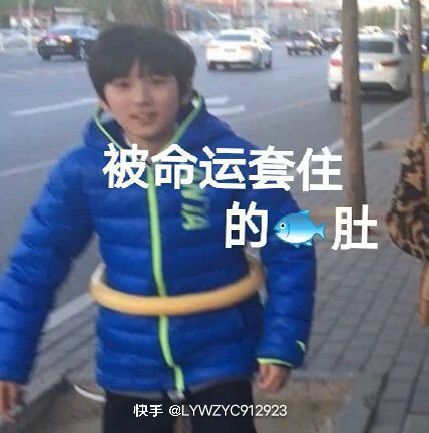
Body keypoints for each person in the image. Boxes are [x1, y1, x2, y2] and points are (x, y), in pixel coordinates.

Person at [0, 25, 316, 432]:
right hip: (130, 363)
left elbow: (293, 242)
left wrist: (282, 344)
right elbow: (34, 266)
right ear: (103, 98)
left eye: (157, 81)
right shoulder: (82, 171)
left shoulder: (234, 159)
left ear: (184, 90)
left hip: (222, 356)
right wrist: (8, 362)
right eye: (122, 84)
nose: (141, 98)